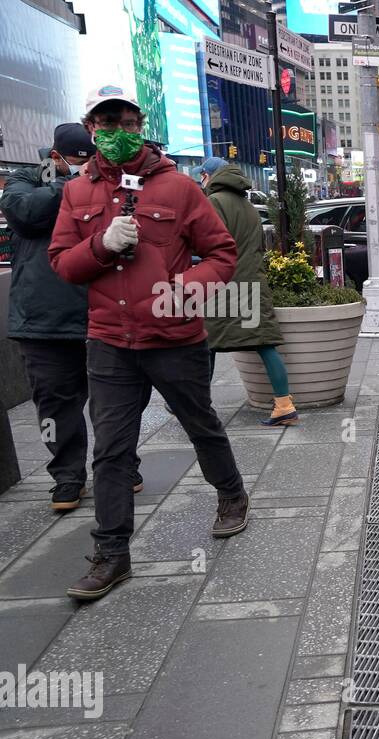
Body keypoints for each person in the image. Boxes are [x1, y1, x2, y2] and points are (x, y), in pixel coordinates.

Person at [48, 84, 246, 601]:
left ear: (141, 126)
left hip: (173, 335)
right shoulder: (77, 192)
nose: (116, 132)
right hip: (109, 341)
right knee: (111, 450)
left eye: (126, 122)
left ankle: (231, 495)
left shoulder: (179, 187)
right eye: (105, 124)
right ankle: (111, 553)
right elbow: (63, 265)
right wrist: (100, 244)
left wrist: (190, 287)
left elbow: (222, 254)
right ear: (91, 129)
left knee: (200, 424)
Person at [2, 122, 149, 511]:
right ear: (55, 158)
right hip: (43, 321)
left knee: (118, 401)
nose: (87, 167)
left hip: (102, 311)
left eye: (91, 161)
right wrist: (72, 185)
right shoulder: (25, 181)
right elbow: (24, 213)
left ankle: (121, 465)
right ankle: (67, 476)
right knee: (55, 405)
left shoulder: (109, 185)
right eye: (78, 162)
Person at [195, 157, 295, 427]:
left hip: (223, 282)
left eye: (201, 175)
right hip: (251, 280)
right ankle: (284, 405)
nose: (200, 180)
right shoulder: (247, 205)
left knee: (207, 342)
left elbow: (208, 244)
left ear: (209, 176)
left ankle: (195, 405)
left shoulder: (214, 202)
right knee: (263, 342)